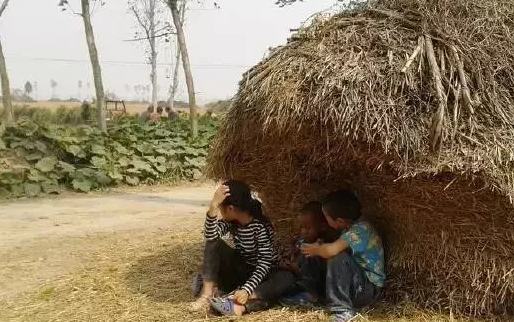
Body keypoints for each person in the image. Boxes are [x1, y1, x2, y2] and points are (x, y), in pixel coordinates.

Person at [189, 180, 295, 316]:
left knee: (286, 278)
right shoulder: (231, 222)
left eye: (220, 208)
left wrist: (247, 290)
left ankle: (242, 297)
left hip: (263, 275)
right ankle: (207, 294)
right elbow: (210, 235)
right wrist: (213, 206)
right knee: (213, 242)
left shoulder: (260, 226)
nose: (220, 212)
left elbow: (264, 264)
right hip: (243, 270)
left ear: (231, 209)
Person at [290, 190, 385, 322]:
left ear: (339, 221)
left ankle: (342, 310)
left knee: (335, 255)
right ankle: (310, 292)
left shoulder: (361, 230)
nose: (325, 220)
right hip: (354, 282)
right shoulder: (348, 227)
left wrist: (319, 249)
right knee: (316, 249)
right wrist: (317, 247)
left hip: (366, 290)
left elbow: (332, 251)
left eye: (326, 217)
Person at [280, 201, 338, 306]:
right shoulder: (304, 239)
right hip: (302, 276)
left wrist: (296, 269)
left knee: (311, 252)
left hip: (319, 284)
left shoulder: (324, 244)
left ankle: (311, 295)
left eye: (307, 228)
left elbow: (314, 272)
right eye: (301, 227)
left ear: (322, 227)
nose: (303, 231)